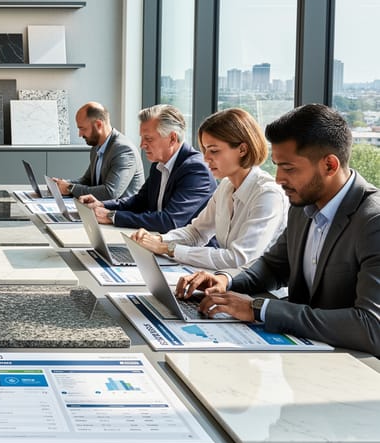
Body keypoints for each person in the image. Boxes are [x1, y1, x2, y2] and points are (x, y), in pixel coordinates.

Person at [176, 104, 380, 355]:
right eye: (277, 166)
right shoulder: (302, 205)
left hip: (354, 367)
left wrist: (260, 309)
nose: (280, 178)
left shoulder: (373, 221)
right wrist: (226, 280)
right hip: (303, 350)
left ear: (329, 165)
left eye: (289, 168)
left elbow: (371, 326)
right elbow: (274, 267)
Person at [129, 108, 288, 270]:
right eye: (205, 150)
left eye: (213, 151)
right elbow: (196, 233)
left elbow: (238, 258)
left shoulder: (267, 195)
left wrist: (168, 249)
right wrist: (158, 240)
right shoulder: (226, 186)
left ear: (242, 149)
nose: (206, 158)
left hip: (258, 290)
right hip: (228, 280)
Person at [78, 104, 217, 233]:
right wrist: (102, 205)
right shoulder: (159, 164)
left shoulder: (196, 170)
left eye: (148, 139)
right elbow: (139, 201)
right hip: (159, 242)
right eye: (142, 138)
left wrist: (111, 216)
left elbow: (169, 221)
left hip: (188, 254)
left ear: (172, 138)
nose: (142, 145)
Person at [52, 102, 144, 200]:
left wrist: (70, 188)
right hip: (99, 209)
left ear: (98, 124)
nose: (80, 134)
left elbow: (109, 192)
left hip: (119, 213)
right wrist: (63, 184)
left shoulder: (123, 150)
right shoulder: (97, 147)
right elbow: (87, 180)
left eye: (82, 128)